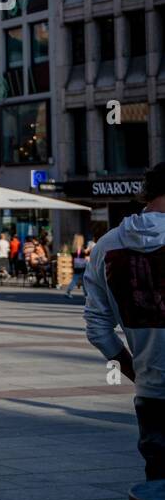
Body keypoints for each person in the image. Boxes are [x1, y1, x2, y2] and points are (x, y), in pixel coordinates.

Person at [84, 165, 165, 480]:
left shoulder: (107, 245)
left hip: (151, 390)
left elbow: (97, 327)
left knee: (158, 482)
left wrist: (134, 370)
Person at [67, 233, 94, 297]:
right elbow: (79, 256)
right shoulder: (79, 247)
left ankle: (86, 294)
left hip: (76, 265)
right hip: (80, 266)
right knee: (77, 279)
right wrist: (87, 250)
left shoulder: (74, 247)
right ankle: (69, 291)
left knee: (81, 279)